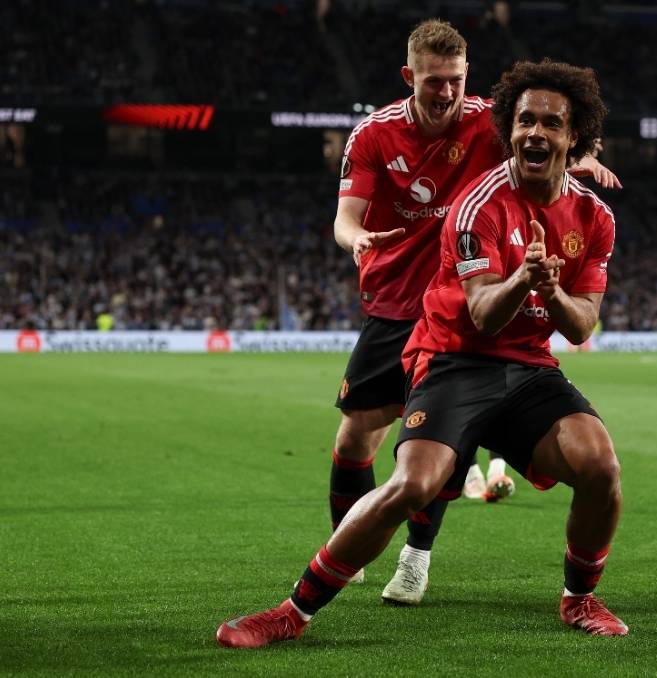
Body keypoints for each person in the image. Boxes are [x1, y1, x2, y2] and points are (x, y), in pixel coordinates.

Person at [216, 58, 626, 648]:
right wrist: (525, 279)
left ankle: (579, 598)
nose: (535, 132)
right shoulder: (477, 205)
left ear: (574, 137)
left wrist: (552, 290)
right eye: (524, 121)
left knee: (601, 467)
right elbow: (483, 315)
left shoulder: (594, 217)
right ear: (508, 128)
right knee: (412, 484)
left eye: (551, 124)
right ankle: (290, 612)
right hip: (455, 359)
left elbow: (583, 325)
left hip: (529, 368)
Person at [327, 19, 619, 605]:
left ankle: (416, 557)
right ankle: (346, 549)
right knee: (357, 437)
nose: (447, 92)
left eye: (456, 80)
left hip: (462, 300)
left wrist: (580, 156)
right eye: (434, 81)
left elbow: (540, 140)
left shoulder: (489, 120)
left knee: (441, 444)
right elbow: (345, 218)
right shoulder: (374, 135)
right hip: (395, 301)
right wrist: (357, 239)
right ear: (409, 77)